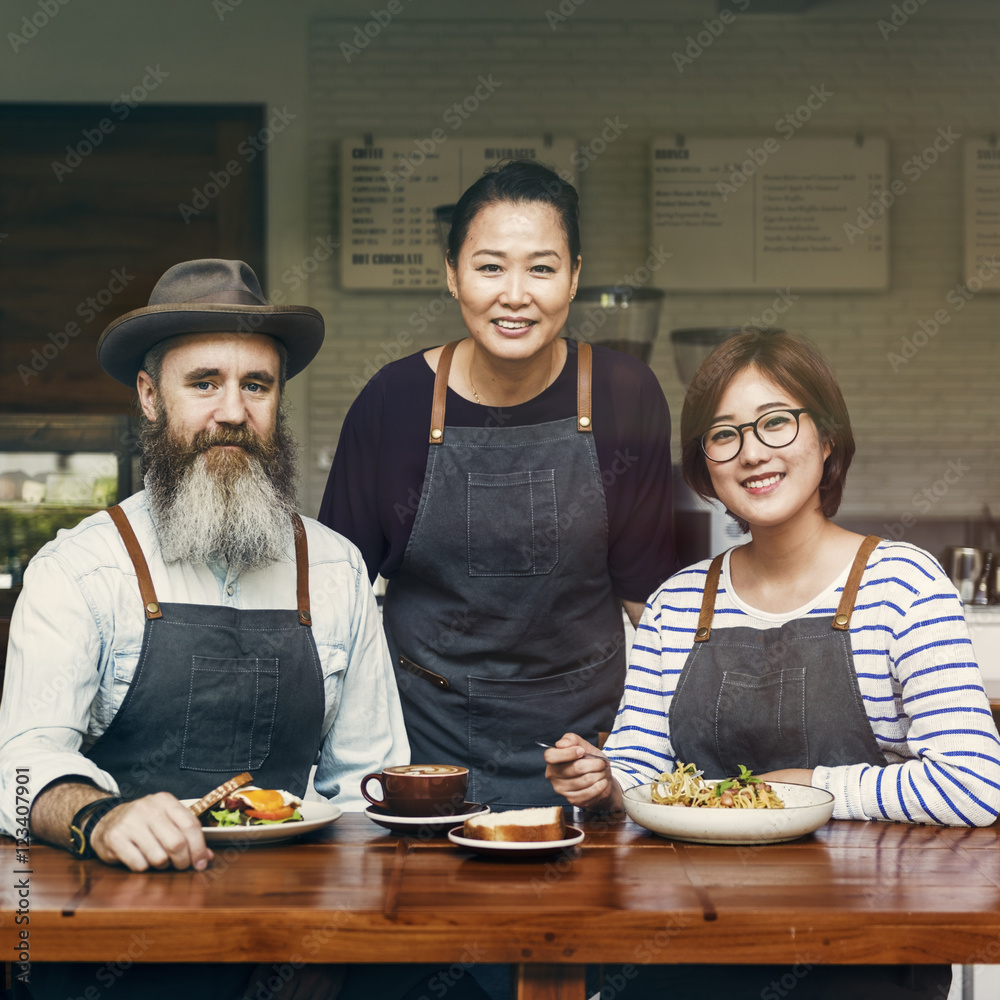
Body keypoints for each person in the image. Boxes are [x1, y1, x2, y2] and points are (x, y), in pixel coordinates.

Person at [545, 327, 1000, 999]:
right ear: (706, 468)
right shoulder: (677, 603)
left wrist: (805, 788)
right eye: (724, 435)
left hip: (868, 951)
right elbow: (641, 773)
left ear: (826, 437)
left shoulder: (903, 584)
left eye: (776, 423)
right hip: (688, 952)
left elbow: (974, 785)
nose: (752, 452)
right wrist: (604, 781)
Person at [0, 259, 410, 1000]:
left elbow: (364, 788)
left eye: (257, 385)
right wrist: (98, 817)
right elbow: (22, 764)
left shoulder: (338, 569)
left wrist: (333, 948)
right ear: (151, 398)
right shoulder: (79, 570)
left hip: (292, 947)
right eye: (204, 383)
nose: (232, 411)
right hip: (107, 948)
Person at [319, 160, 677, 810]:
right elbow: (334, 596)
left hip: (586, 751)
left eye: (541, 268)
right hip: (421, 749)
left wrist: (640, 764)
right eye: (490, 267)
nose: (516, 295)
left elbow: (651, 607)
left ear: (574, 277)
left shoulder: (628, 396)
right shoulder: (393, 402)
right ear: (452, 275)